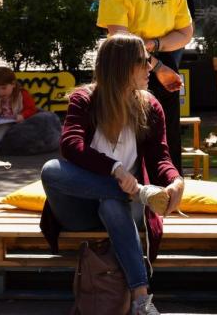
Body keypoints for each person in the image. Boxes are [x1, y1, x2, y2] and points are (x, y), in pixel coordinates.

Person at [40, 34, 184, 315]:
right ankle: (133, 192)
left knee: (112, 203)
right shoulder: (85, 99)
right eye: (144, 62)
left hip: (125, 207)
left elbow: (160, 157)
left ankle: (140, 299)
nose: (150, 68)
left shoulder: (150, 106)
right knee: (50, 171)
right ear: (121, 66)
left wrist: (174, 181)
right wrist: (115, 171)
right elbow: (71, 145)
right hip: (81, 206)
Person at [98, 0, 193, 173]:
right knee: (166, 145)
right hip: (167, 73)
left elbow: (119, 41)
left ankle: (138, 207)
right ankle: (171, 198)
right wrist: (157, 50)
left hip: (129, 77)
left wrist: (154, 64)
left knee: (131, 151)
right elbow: (185, 34)